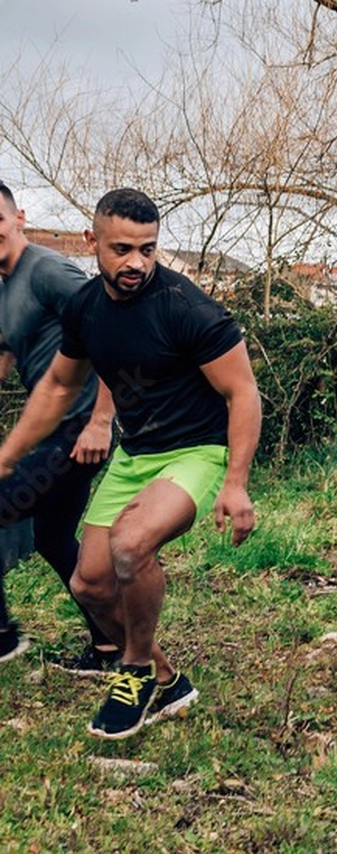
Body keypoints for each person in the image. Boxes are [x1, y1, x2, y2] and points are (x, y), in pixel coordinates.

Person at [0, 187, 262, 739]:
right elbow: (59, 386)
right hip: (136, 452)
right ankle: (168, 681)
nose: (136, 263)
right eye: (122, 249)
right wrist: (9, 453)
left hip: (196, 451)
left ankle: (136, 669)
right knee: (89, 583)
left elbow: (242, 393)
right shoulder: (86, 308)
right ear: (92, 241)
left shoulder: (187, 308)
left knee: (130, 544)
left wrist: (236, 483)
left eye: (148, 249)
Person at [0, 181, 119, 672]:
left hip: (79, 431)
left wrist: (102, 420)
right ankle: (109, 646)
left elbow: (108, 329)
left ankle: (2, 636)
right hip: (51, 432)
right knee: (52, 537)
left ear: (19, 218)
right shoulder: (4, 289)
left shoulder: (47, 270)